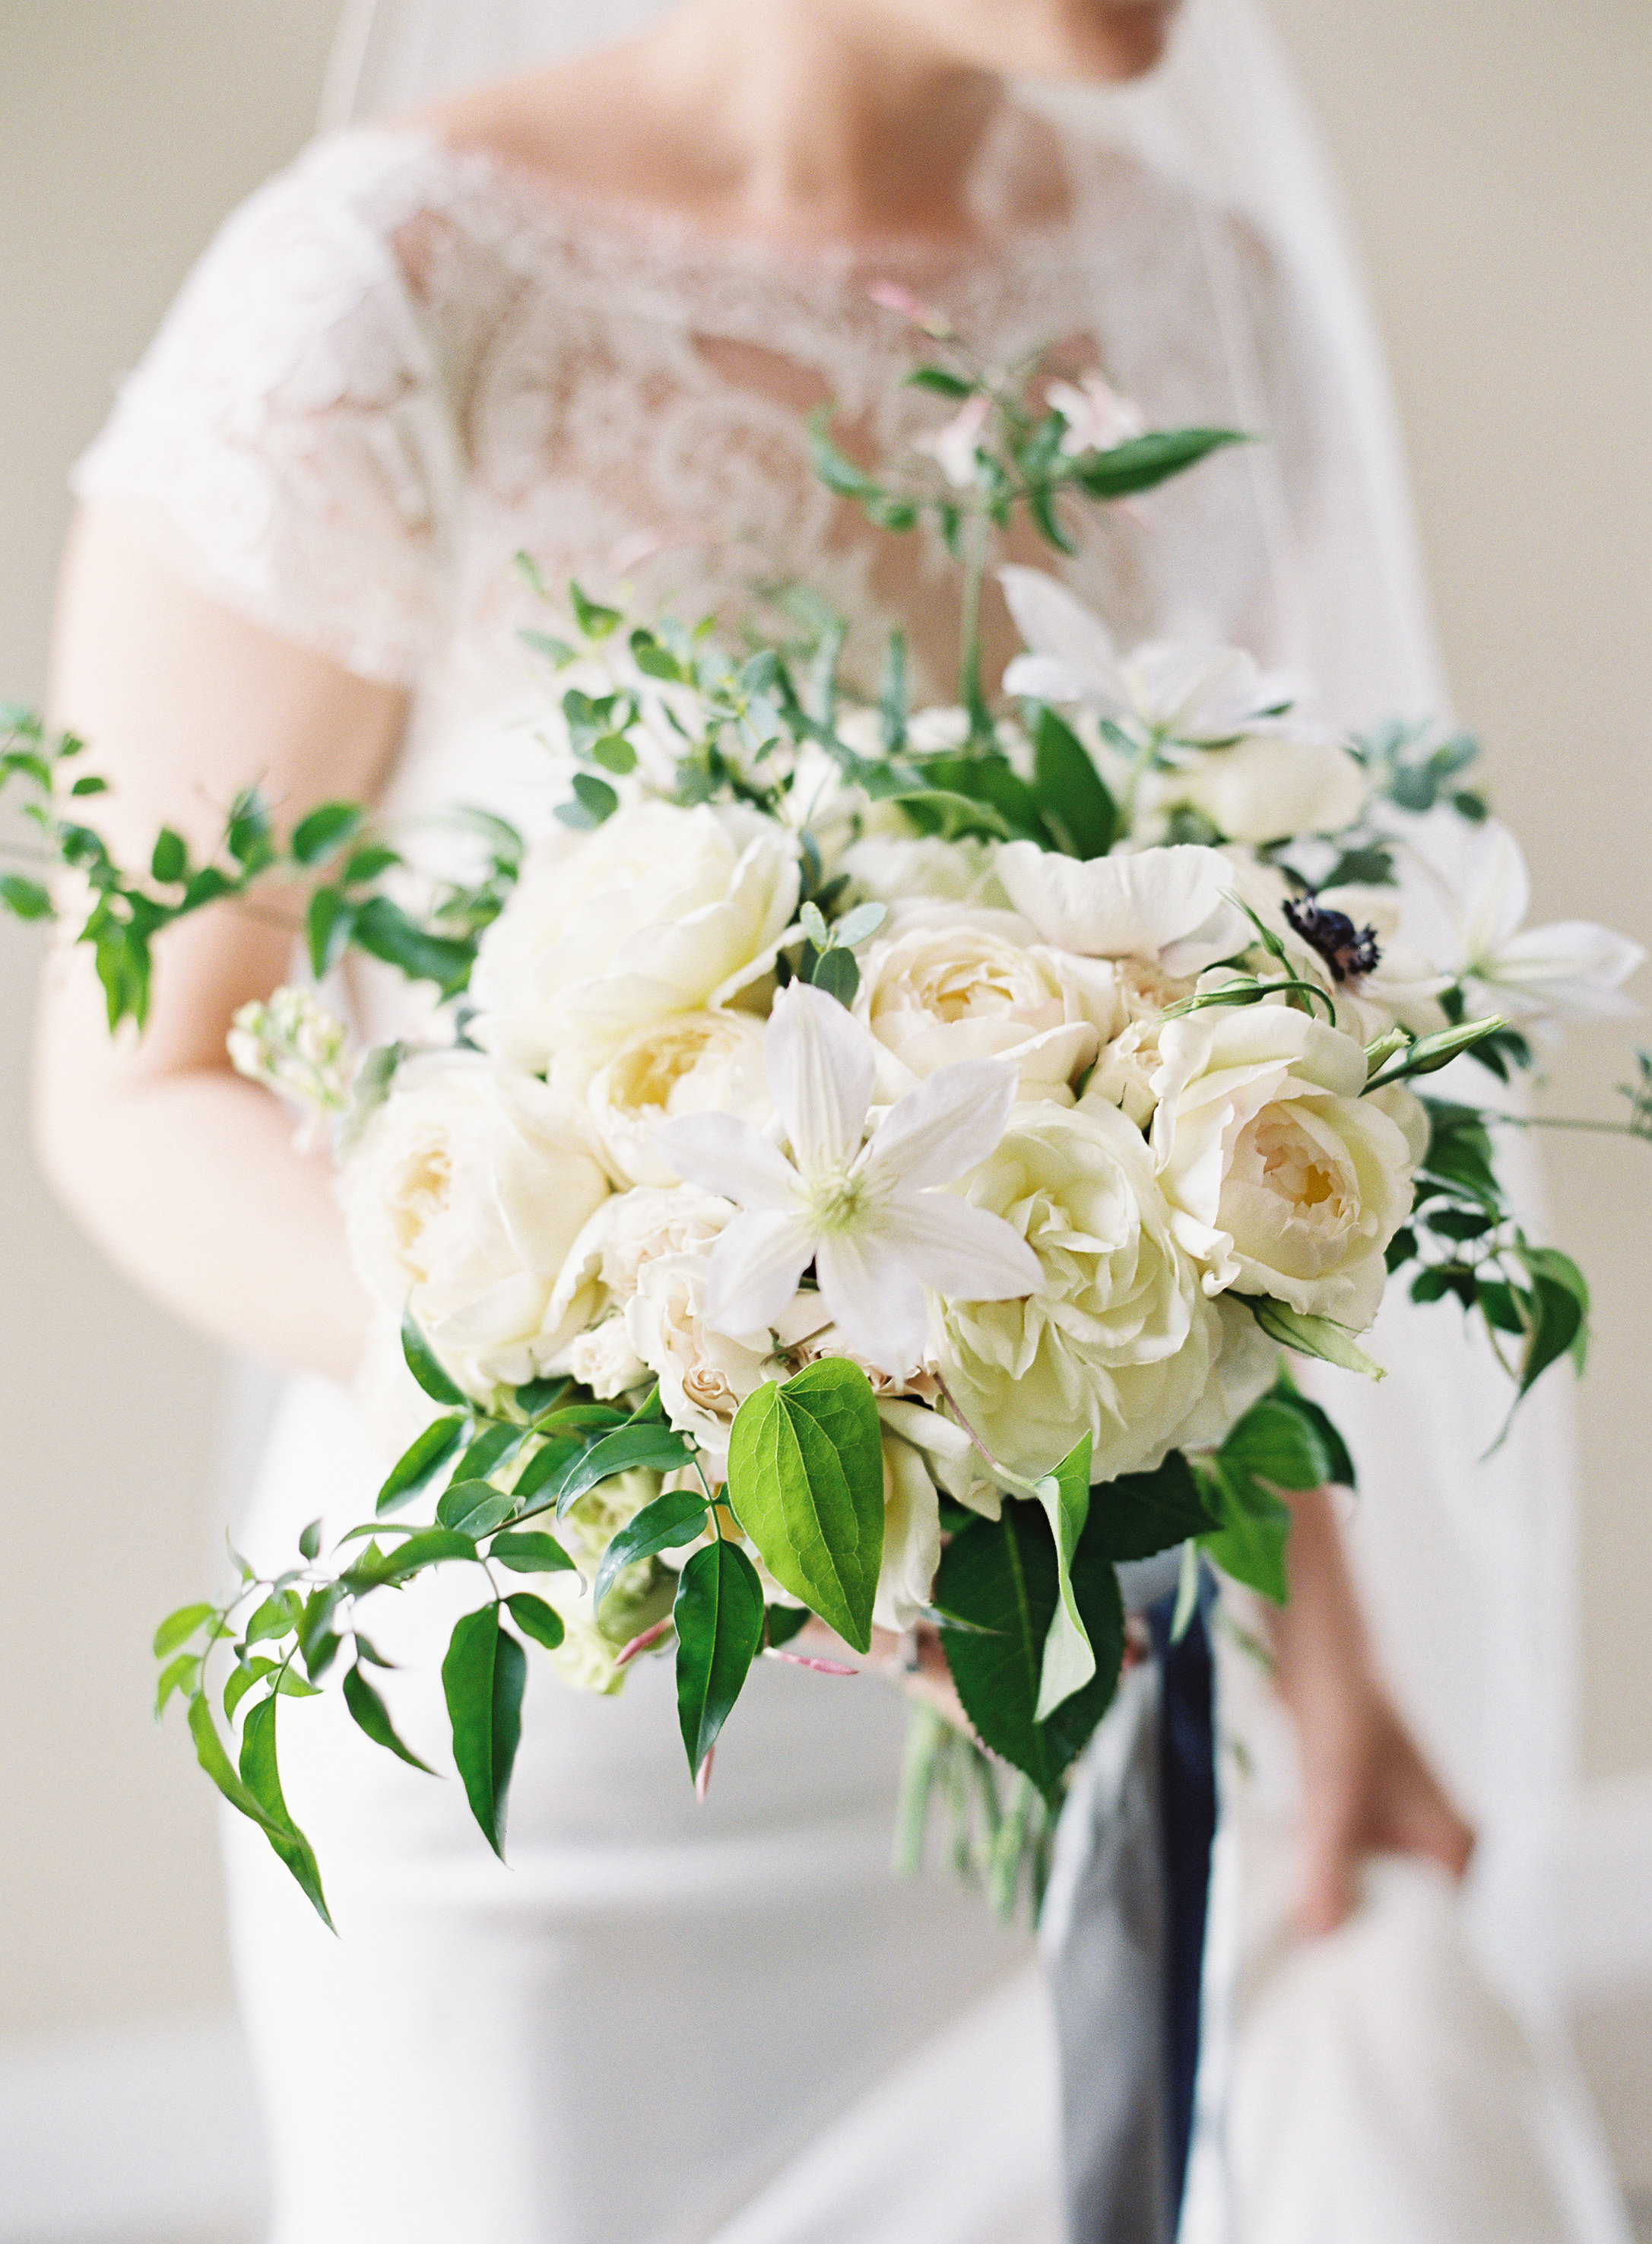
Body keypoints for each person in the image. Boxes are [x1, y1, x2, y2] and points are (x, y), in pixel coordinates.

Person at [30, 2, 1623, 2239]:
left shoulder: (1201, 300)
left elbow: (1215, 1096)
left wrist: (1332, 1669)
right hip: (577, 1696)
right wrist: (637, 1387)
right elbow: (138, 1076)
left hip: (1081, 1655)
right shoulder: (386, 290)